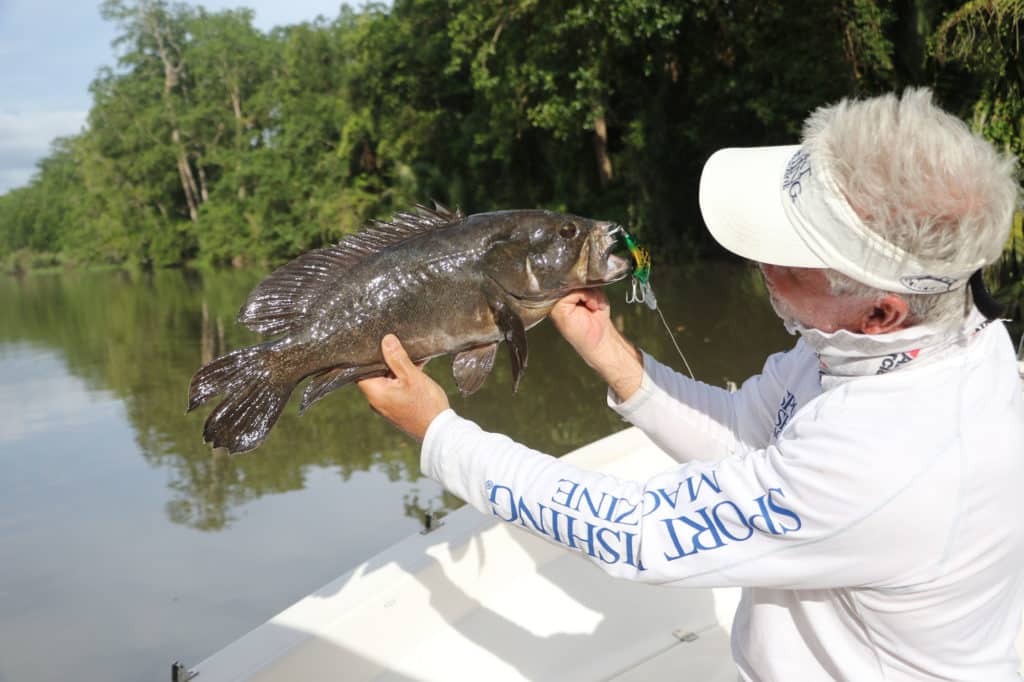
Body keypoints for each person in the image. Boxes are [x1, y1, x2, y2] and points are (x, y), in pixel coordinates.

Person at [357, 88, 1024, 680]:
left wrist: (439, 433)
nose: (758, 260)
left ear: (881, 309)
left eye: (787, 261)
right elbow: (743, 438)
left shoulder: (895, 457)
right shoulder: (868, 346)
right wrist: (610, 353)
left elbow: (635, 531)